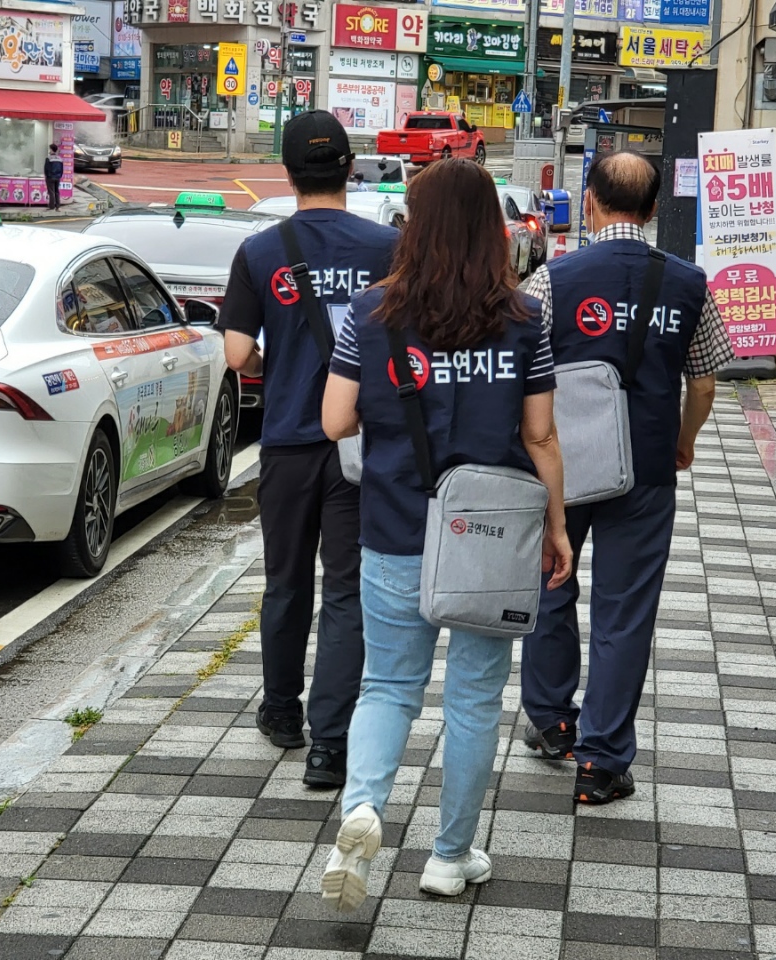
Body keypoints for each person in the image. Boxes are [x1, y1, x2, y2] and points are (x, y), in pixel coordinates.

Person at [319, 157, 571, 910]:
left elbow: (335, 421)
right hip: (492, 538)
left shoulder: (371, 316)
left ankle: (361, 811)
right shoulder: (525, 320)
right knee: (472, 701)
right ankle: (448, 857)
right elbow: (542, 437)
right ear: (492, 231)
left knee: (388, 686)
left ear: (415, 228)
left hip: (396, 526)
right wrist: (556, 529)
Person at [519, 151, 734, 804]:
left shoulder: (554, 280)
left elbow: (525, 367)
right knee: (625, 611)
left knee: (551, 581)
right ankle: (602, 762)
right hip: (643, 467)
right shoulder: (690, 284)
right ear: (650, 213)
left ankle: (553, 720)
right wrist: (683, 443)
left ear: (590, 202)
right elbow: (703, 382)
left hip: (562, 461)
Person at [218, 110, 397, 787]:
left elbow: (237, 353)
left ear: (288, 174)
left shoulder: (261, 252)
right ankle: (332, 744)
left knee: (286, 583)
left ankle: (282, 712)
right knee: (347, 592)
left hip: (290, 443)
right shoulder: (387, 247)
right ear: (350, 169)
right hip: (361, 445)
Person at [44, 144, 64, 211]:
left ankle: (51, 206)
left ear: (52, 150)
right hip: (58, 177)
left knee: (51, 192)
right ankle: (57, 206)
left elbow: (46, 169)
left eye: (50, 149)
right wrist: (60, 175)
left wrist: (47, 176)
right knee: (56, 191)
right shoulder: (60, 159)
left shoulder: (48, 158)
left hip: (50, 177)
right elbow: (62, 169)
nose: (49, 150)